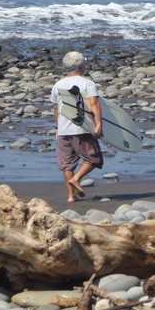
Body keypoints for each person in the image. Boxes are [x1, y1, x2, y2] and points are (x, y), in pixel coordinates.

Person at [50, 51, 104, 203]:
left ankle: (71, 197)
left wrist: (58, 128)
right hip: (82, 128)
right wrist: (99, 124)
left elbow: (56, 108)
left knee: (67, 164)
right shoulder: (87, 83)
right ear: (81, 65)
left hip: (63, 130)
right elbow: (94, 104)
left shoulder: (57, 85)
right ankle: (77, 179)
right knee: (94, 159)